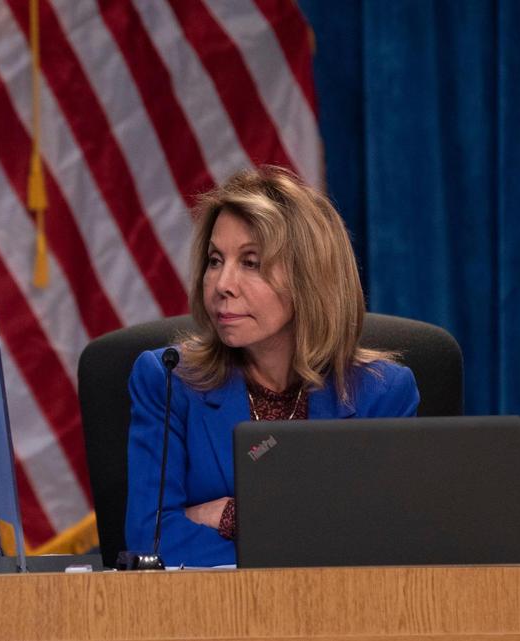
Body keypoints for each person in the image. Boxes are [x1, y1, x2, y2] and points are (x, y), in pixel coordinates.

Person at [124, 166, 419, 567]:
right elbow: (150, 542)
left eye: (250, 262)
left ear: (310, 278)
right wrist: (299, 538)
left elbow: (389, 544)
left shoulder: (383, 393)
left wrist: (227, 515)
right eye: (215, 260)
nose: (222, 283)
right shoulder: (169, 381)